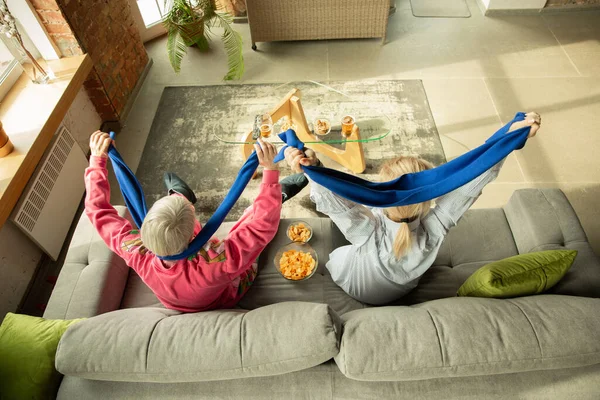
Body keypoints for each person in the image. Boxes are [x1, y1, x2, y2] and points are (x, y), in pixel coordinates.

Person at [283, 112, 542, 305]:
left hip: (356, 285)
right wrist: (510, 138)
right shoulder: (437, 227)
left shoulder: (367, 230)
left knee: (338, 255)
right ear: (429, 200)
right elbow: (474, 179)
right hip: (399, 290)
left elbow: (334, 201)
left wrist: (312, 165)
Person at [84, 132, 282, 312]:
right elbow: (261, 227)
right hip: (223, 297)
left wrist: (97, 161)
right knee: (249, 222)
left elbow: (98, 211)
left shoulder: (136, 251)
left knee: (171, 218)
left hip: (174, 301)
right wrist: (270, 173)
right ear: (195, 235)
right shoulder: (217, 259)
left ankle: (179, 194)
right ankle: (280, 194)